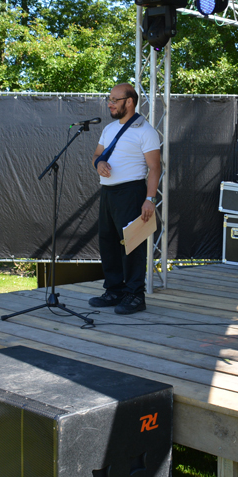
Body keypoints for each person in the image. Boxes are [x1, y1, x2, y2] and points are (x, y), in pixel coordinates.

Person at [89, 83, 161, 315]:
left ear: (129, 101)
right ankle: (115, 290)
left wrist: (149, 199)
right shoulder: (108, 129)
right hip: (108, 193)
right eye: (108, 99)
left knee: (132, 244)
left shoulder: (145, 131)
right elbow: (97, 155)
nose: (109, 103)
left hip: (131, 193)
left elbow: (155, 169)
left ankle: (134, 295)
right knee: (108, 242)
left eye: (114, 99)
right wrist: (99, 163)